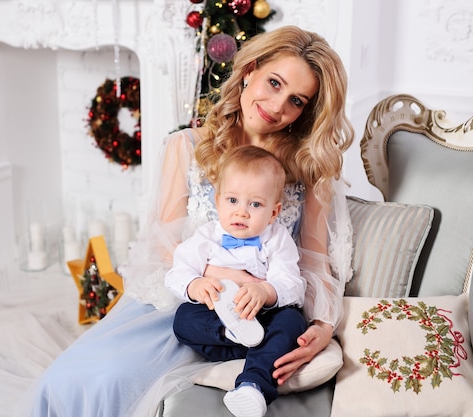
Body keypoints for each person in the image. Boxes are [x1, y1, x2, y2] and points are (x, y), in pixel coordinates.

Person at [22, 25, 354, 417]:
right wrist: (211, 281)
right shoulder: (186, 147)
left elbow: (314, 260)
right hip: (187, 301)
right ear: (250, 70)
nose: (278, 104)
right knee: (76, 378)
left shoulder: (309, 169)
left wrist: (321, 325)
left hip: (262, 309)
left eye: (296, 100)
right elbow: (162, 247)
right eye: (274, 82)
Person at [166, 145, 307, 417]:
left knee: (293, 321)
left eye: (255, 204)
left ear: (274, 212)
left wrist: (266, 290)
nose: (242, 212)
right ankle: (230, 331)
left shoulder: (277, 239)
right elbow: (176, 273)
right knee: (183, 318)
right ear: (218, 201)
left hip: (263, 318)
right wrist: (194, 285)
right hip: (219, 321)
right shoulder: (206, 237)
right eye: (232, 201)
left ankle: (252, 386)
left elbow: (293, 284)